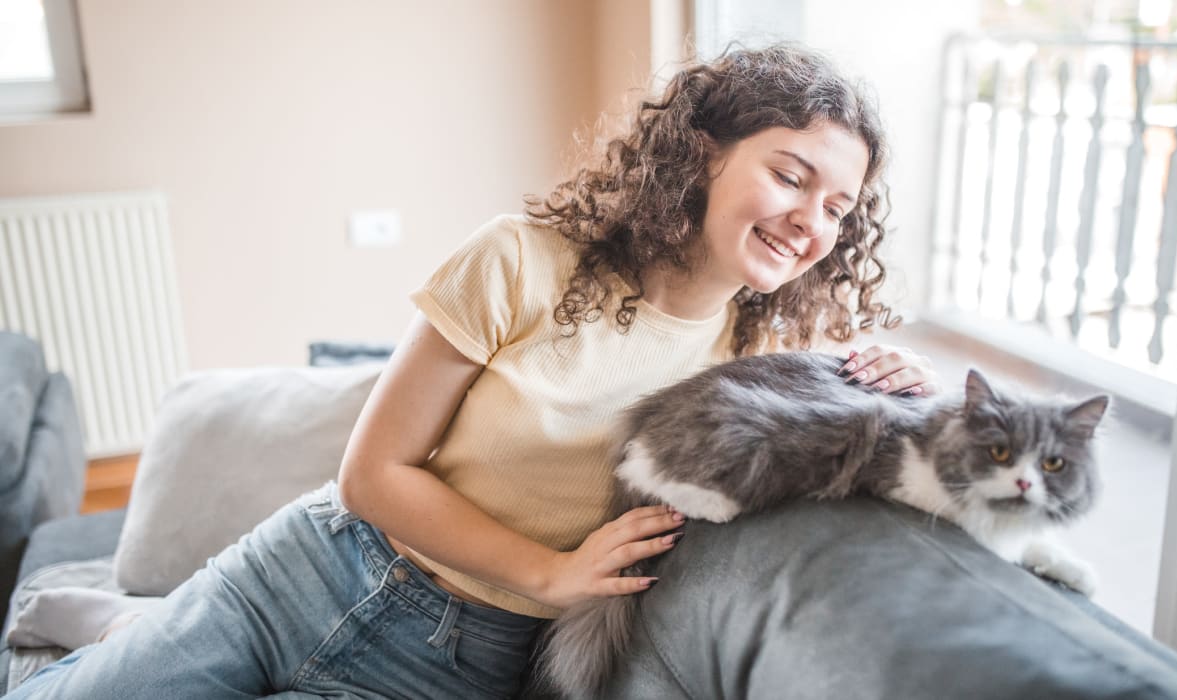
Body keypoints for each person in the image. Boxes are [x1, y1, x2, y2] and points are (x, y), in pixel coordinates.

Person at [4, 44, 937, 699]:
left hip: (450, 668)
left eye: (839, 207)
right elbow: (371, 476)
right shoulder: (521, 258)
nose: (814, 220)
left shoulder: (765, 364)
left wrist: (895, 382)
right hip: (305, 570)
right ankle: (140, 629)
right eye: (790, 175)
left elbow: (884, 454)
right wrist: (551, 573)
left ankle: (130, 628)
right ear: (702, 153)